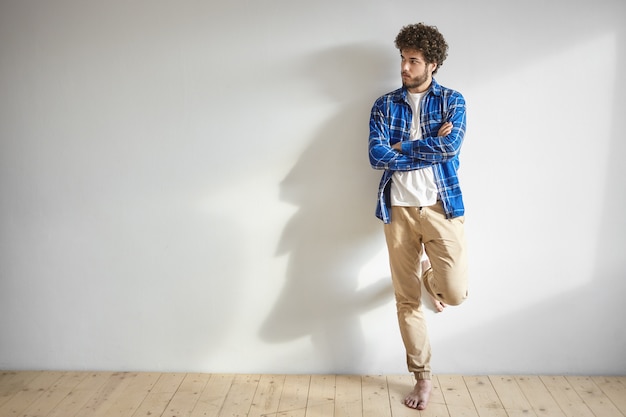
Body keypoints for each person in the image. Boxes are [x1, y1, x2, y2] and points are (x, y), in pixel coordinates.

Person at [368, 23, 469, 410]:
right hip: (397, 209)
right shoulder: (384, 104)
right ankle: (422, 378)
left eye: (413, 60)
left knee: (455, 293)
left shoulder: (453, 101)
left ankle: (433, 276)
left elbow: (450, 147)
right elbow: (377, 157)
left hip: (442, 206)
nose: (405, 68)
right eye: (403, 59)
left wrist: (404, 147)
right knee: (405, 298)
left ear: (433, 64)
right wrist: (428, 145)